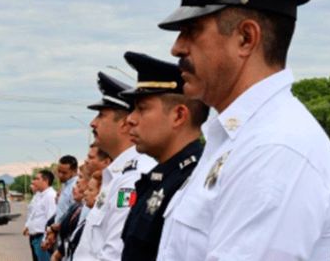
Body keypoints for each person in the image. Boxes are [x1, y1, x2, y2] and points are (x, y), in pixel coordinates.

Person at [155, 0, 330, 260]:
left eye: (191, 31)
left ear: (246, 38)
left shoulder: (275, 148)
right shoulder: (237, 139)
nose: (176, 48)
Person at [118, 51, 208, 261]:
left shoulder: (195, 181)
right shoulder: (159, 178)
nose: (130, 119)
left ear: (178, 116)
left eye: (142, 109)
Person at [78, 72, 157, 260]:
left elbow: (115, 253)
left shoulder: (133, 178)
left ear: (123, 124)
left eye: (101, 115)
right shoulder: (116, 174)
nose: (93, 123)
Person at [44, 155, 79, 251]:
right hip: (59, 234)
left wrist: (55, 229)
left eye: (64, 173)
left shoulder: (76, 186)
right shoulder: (65, 185)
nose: (60, 175)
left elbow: (72, 213)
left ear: (74, 171)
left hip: (68, 235)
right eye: (58, 171)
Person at [24, 170, 57, 261]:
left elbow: (51, 220)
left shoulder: (50, 196)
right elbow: (34, 214)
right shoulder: (41, 195)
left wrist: (45, 240)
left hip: (42, 238)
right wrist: (28, 226)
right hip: (36, 238)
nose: (34, 182)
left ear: (45, 181)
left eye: (37, 179)